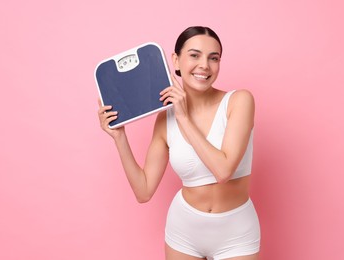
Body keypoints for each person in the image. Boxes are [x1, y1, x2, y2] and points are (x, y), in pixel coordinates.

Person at [98, 26, 261, 260]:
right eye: (194, 55)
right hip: (184, 231)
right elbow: (143, 191)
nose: (204, 65)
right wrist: (119, 137)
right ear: (175, 60)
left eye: (213, 58)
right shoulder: (165, 118)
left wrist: (183, 117)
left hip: (236, 232)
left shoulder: (239, 101)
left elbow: (223, 170)